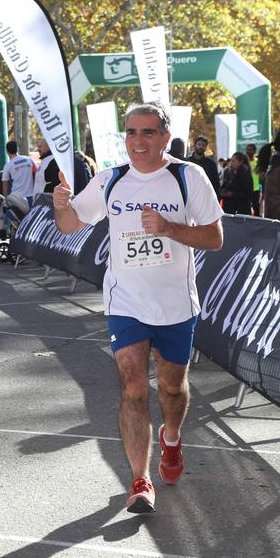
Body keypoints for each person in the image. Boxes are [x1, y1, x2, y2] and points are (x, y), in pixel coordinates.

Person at [52, 104, 223, 513]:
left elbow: (215, 237)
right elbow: (70, 224)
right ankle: (140, 480)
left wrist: (168, 229)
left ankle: (173, 438)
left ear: (165, 136)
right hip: (125, 301)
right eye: (131, 132)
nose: (138, 141)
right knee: (132, 388)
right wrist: (61, 204)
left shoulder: (187, 177)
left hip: (175, 303)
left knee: (170, 386)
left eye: (148, 132)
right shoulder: (111, 180)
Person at [0, 140, 37, 204]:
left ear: (7, 151)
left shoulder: (8, 165)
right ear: (17, 149)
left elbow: (5, 185)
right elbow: (37, 172)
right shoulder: (29, 160)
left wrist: (6, 200)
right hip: (30, 196)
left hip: (16, 198)